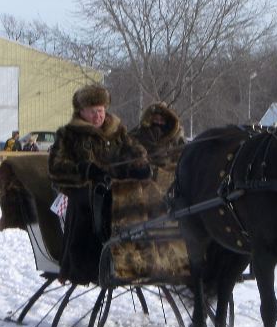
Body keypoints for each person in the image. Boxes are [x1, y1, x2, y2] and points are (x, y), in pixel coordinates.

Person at [49, 84, 151, 285]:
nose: (98, 116)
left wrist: (139, 165)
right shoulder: (68, 135)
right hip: (79, 191)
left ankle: (138, 254)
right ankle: (86, 264)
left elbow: (134, 152)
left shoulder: (118, 132)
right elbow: (56, 166)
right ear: (82, 112)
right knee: (93, 201)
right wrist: (86, 170)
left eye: (101, 110)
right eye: (93, 112)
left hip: (115, 189)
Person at [129, 102, 185, 174]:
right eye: (155, 119)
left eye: (162, 120)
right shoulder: (136, 137)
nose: (158, 123)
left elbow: (182, 161)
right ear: (149, 120)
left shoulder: (175, 141)